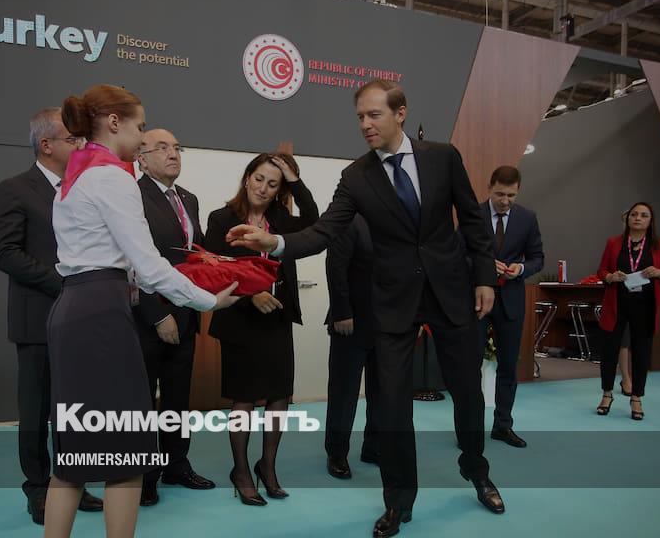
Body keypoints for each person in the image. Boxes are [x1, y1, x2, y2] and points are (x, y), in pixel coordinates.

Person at [226, 79, 503, 537]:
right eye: (360, 117)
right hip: (391, 303)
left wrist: (485, 278)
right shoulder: (356, 176)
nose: (365, 124)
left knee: (468, 394)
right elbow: (324, 231)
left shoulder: (443, 157)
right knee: (391, 405)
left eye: (374, 114)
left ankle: (476, 470)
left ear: (400, 112)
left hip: (450, 293)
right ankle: (398, 500)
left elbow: (473, 221)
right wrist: (275, 243)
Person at [44, 84, 238, 538]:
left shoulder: (74, 176)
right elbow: (148, 266)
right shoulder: (112, 178)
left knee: (73, 457)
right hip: (102, 314)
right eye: (141, 126)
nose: (143, 136)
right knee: (127, 456)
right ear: (115, 123)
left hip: (73, 308)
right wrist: (208, 300)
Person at [0, 108, 102, 524]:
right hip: (38, 316)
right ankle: (38, 489)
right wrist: (65, 282)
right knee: (37, 411)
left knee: (75, 409)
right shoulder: (14, 189)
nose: (81, 145)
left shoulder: (82, 190)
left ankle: (73, 482)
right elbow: (5, 253)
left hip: (82, 318)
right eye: (73, 139)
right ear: (47, 144)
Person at [204, 151, 319, 506]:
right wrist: (250, 294)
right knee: (244, 398)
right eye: (259, 179)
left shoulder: (281, 219)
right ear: (247, 178)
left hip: (277, 318)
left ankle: (267, 466)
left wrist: (294, 180)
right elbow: (213, 268)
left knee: (278, 395)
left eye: (273, 183)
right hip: (240, 319)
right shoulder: (222, 218)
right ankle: (241, 471)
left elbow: (314, 220)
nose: (264, 188)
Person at [133, 128, 216, 506]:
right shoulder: (133, 196)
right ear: (141, 159)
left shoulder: (188, 198)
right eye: (162, 148)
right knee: (142, 400)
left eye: (177, 148)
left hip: (185, 314)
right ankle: (144, 475)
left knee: (178, 398)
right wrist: (155, 314)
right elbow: (133, 260)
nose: (173, 154)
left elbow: (192, 253)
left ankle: (176, 464)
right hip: (147, 316)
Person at [476, 166, 543, 448]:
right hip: (476, 302)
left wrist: (522, 268)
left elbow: (538, 258)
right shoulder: (473, 215)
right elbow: (455, 254)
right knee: (470, 367)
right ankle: (470, 428)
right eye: (500, 194)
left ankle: (503, 426)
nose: (505, 201)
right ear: (489, 188)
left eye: (511, 195)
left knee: (508, 367)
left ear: (518, 191)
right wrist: (483, 264)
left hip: (511, 301)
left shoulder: (527, 218)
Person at [595, 202, 660, 420]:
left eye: (644, 215)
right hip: (617, 303)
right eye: (634, 214)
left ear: (651, 221)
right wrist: (610, 277)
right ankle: (607, 394)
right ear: (628, 218)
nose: (638, 218)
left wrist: (658, 272)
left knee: (641, 352)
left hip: (645, 304)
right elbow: (601, 270)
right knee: (609, 350)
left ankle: (637, 397)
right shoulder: (613, 243)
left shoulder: (659, 244)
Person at [324, 213, 380, 479]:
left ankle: (374, 448)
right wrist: (342, 312)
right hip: (351, 321)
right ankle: (336, 453)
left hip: (388, 323)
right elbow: (335, 267)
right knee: (344, 392)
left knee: (383, 392)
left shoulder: (394, 218)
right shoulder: (349, 219)